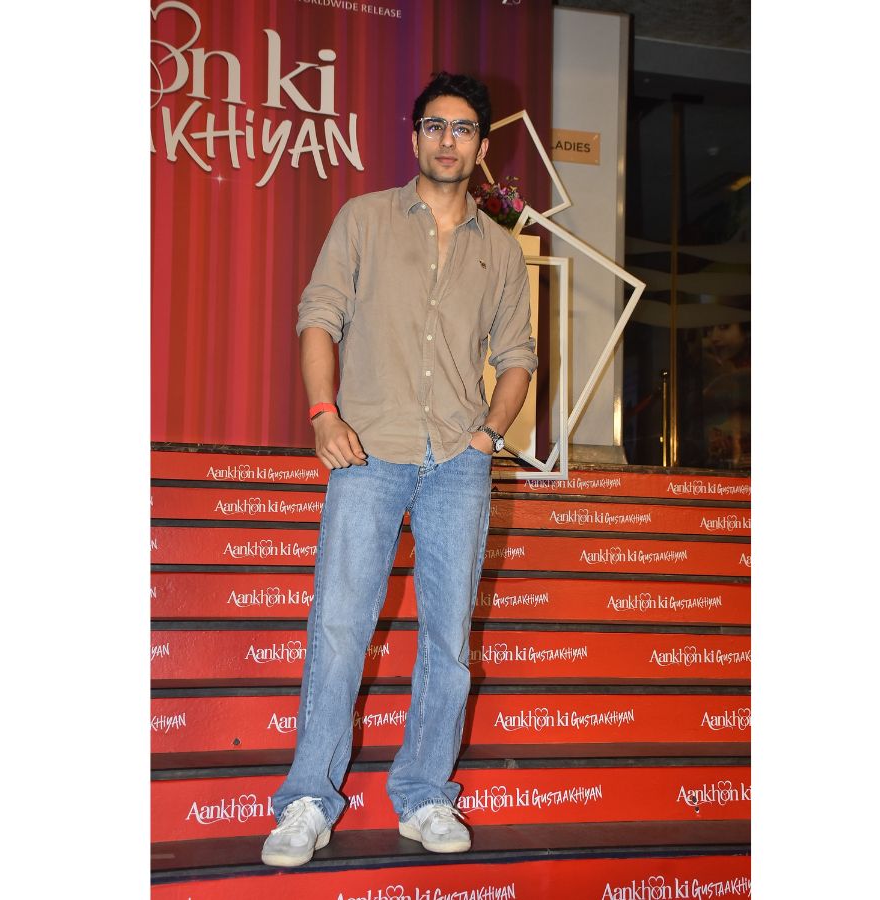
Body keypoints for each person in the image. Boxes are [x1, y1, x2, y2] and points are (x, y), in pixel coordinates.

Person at [260, 72, 537, 868]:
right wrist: (324, 413)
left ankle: (424, 794)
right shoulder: (364, 219)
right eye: (435, 126)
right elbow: (319, 316)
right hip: (367, 451)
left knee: (448, 640)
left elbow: (517, 357)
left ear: (481, 146)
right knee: (340, 628)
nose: (448, 140)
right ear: (414, 136)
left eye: (463, 128)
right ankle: (308, 799)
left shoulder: (500, 251)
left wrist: (488, 434)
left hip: (457, 461)